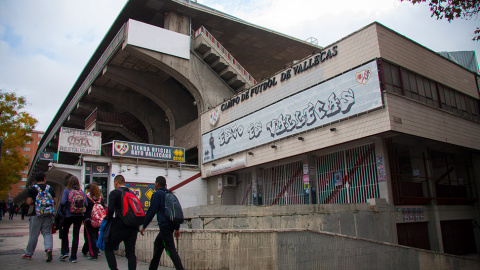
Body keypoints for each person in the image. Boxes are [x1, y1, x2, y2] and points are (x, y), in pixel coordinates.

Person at [140, 176, 184, 270]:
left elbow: (152, 211)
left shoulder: (157, 194)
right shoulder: (169, 193)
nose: (154, 185)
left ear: (157, 184)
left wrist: (144, 226)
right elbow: (175, 211)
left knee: (171, 249)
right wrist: (177, 228)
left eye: (155, 183)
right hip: (170, 225)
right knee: (158, 245)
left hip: (164, 226)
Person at [105, 175, 139, 270]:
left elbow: (110, 211)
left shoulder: (114, 193)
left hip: (120, 225)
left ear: (116, 183)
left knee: (108, 247)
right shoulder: (132, 193)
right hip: (133, 226)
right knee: (130, 253)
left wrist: (106, 220)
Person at [22, 171, 56, 262]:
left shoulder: (32, 189)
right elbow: (54, 201)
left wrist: (36, 203)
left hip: (36, 215)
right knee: (47, 233)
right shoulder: (50, 188)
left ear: (36, 180)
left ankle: (29, 254)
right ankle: (48, 249)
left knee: (34, 234)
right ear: (44, 179)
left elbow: (28, 202)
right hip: (48, 215)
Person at [60, 175, 87, 263]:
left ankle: (65, 252)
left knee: (65, 232)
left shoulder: (67, 191)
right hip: (79, 215)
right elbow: (86, 204)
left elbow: (63, 202)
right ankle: (74, 257)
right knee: (76, 235)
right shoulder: (81, 192)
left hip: (69, 214)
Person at [82, 182, 104, 260]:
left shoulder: (87, 198)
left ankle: (93, 254)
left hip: (89, 219)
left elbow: (84, 208)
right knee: (95, 235)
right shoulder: (100, 198)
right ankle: (96, 250)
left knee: (90, 236)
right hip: (98, 220)